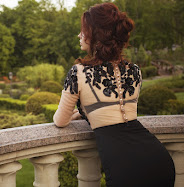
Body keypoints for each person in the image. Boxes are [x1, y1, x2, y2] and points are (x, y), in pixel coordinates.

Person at [53, 2, 175, 187]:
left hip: (125, 170)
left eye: (84, 30)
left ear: (95, 35)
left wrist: (78, 113)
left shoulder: (78, 72)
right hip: (159, 160)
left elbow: (60, 121)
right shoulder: (134, 70)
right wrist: (83, 112)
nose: (80, 35)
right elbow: (116, 107)